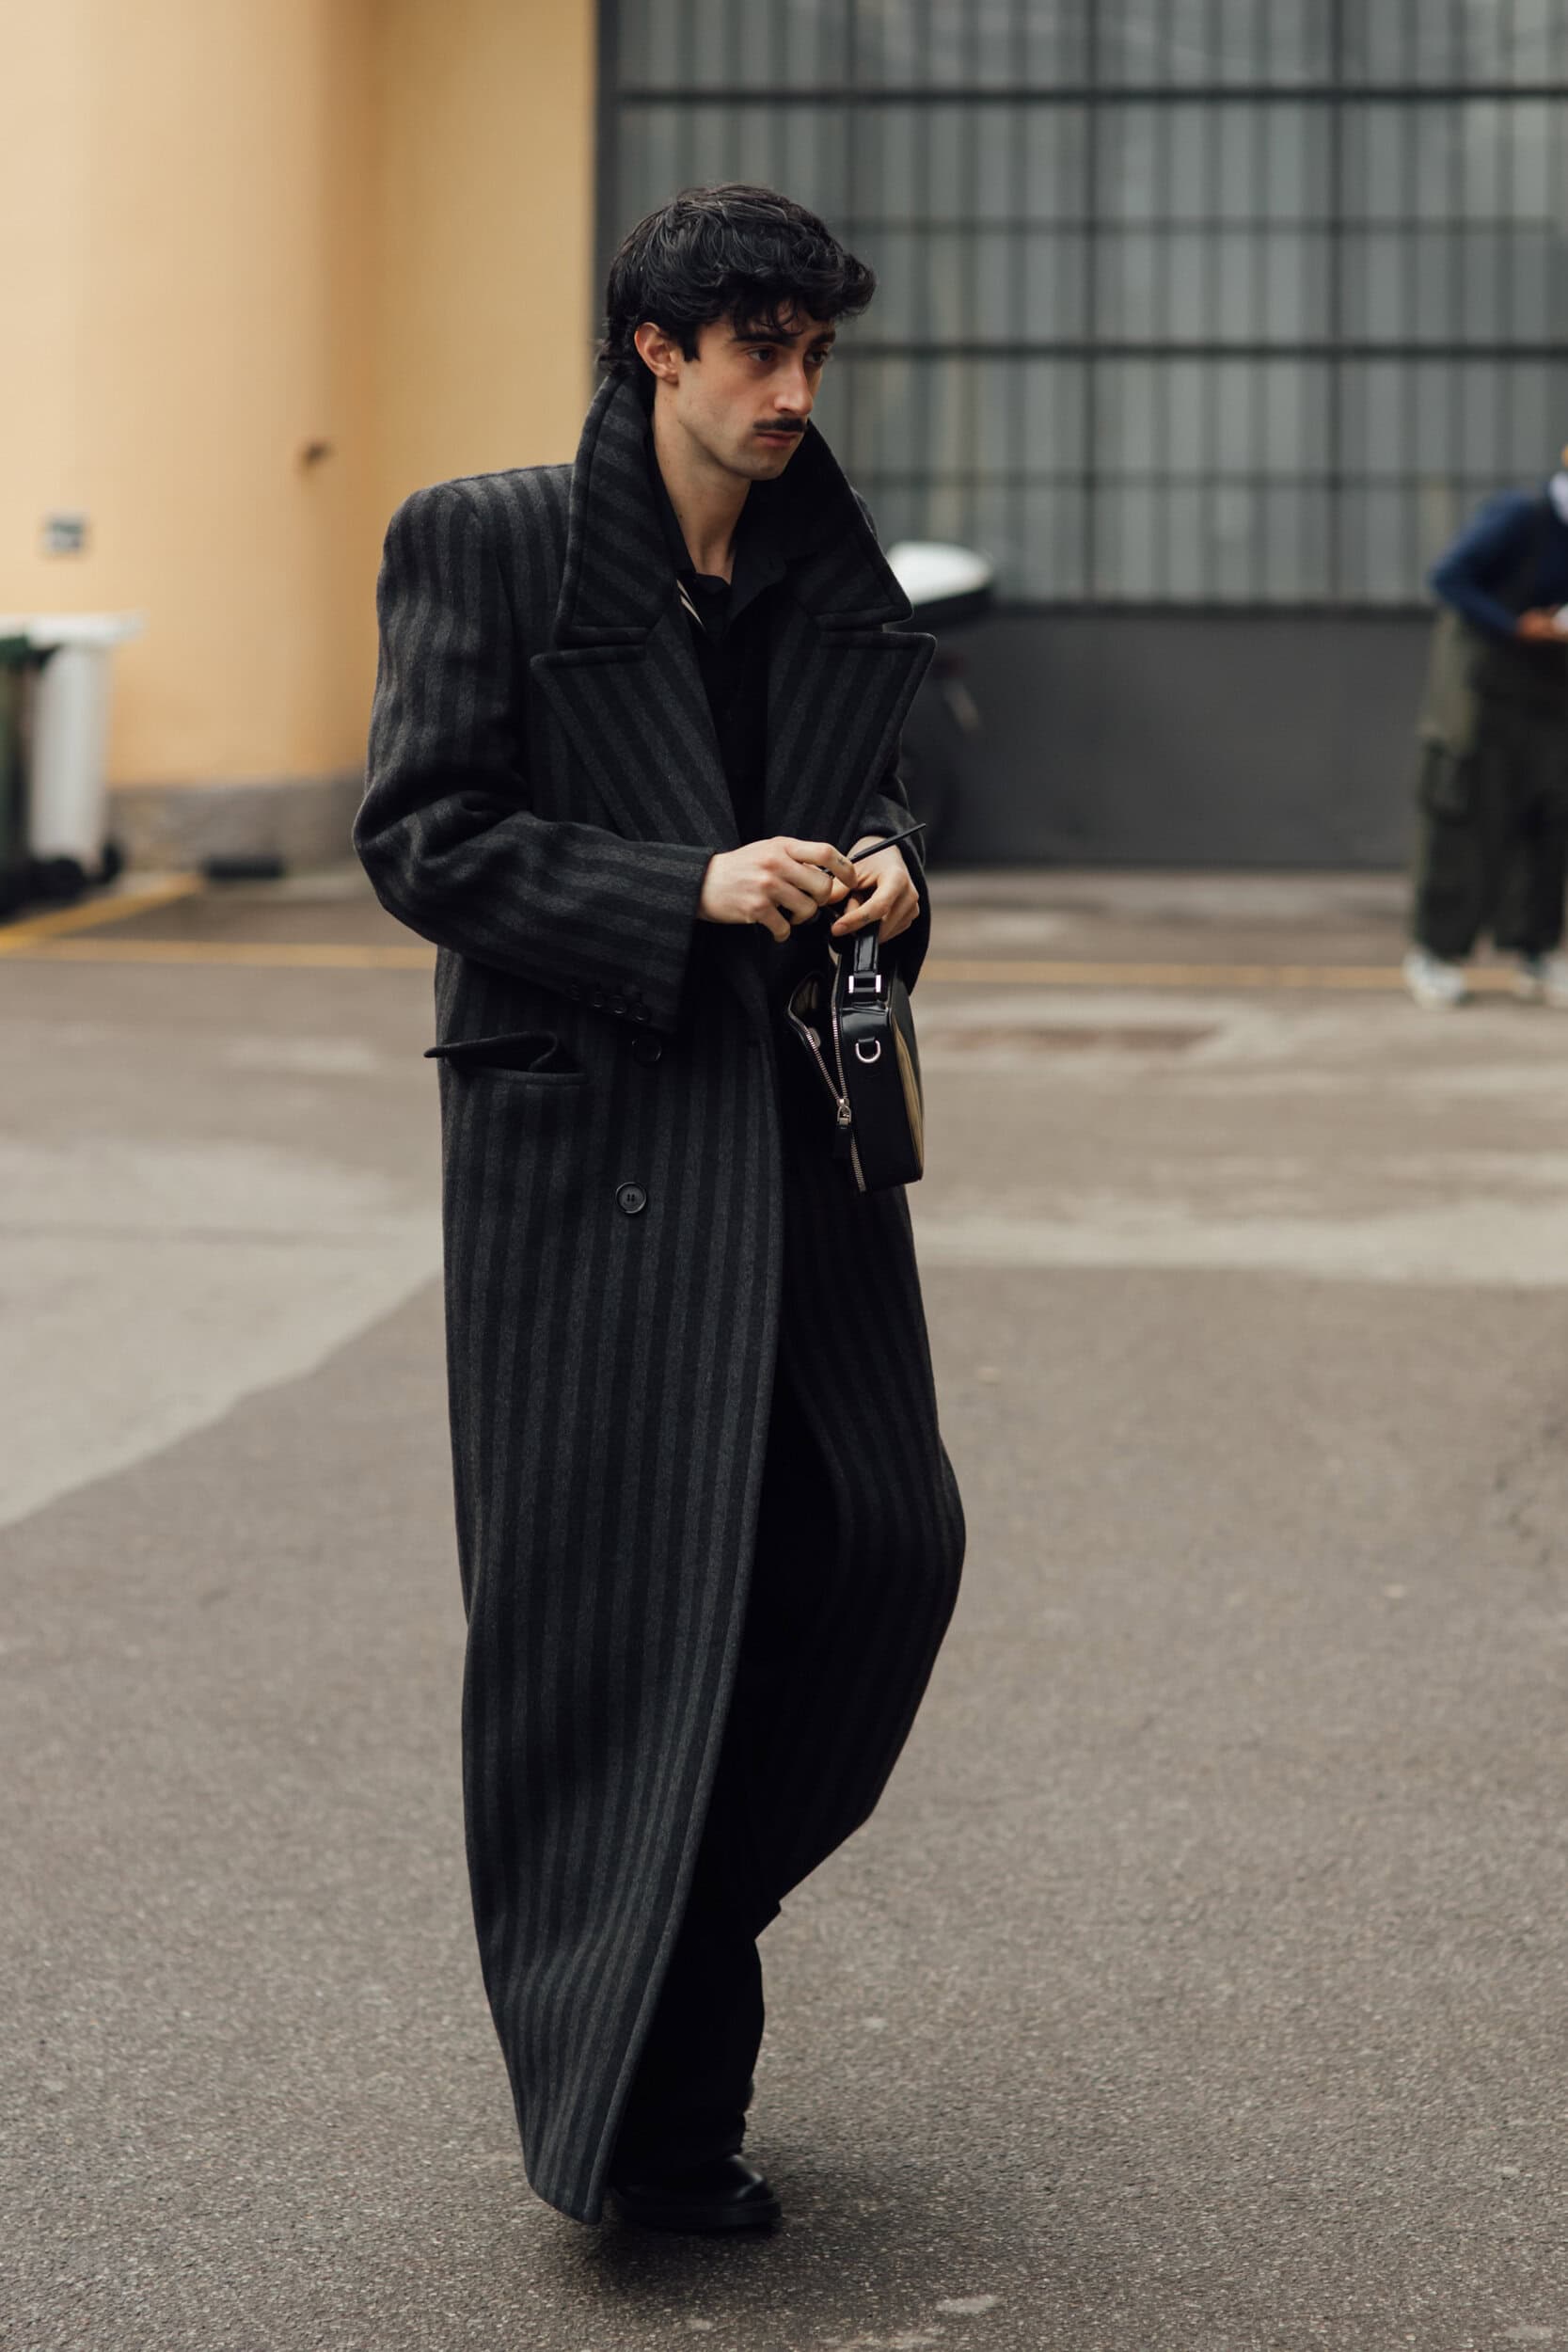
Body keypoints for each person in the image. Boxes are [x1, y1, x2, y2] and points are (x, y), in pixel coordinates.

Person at [355, 184, 965, 2234]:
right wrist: (675, 888)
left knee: (882, 1542)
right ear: (655, 350)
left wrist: (892, 869)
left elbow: (876, 781)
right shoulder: (487, 538)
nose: (794, 391)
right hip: (593, 1163)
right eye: (758, 351)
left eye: (814, 354)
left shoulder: (814, 566)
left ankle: (665, 1912)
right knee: (621, 1637)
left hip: (797, 1145)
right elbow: (422, 833)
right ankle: (650, 2126)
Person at [1405, 453, 1568, 1009]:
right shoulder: (1522, 516)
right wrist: (1515, 624)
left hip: (1550, 697)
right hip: (1484, 695)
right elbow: (1447, 577)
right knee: (1468, 820)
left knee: (1549, 821)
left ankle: (1535, 953)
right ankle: (1436, 953)